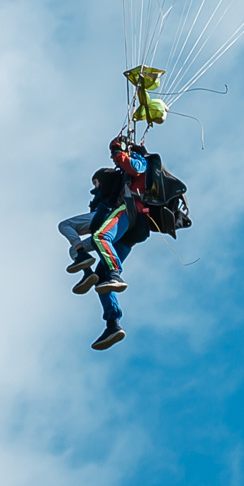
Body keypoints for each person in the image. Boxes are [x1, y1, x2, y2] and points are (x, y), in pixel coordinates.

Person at [58, 134, 187, 351]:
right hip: (131, 232)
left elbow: (135, 167)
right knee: (102, 279)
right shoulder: (118, 181)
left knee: (101, 237)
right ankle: (112, 324)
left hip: (130, 213)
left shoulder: (139, 162)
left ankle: (114, 272)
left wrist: (119, 151)